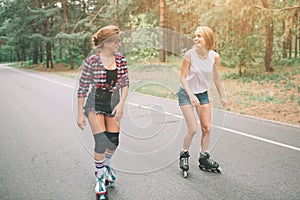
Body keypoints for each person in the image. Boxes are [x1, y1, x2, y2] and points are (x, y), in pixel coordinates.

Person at [76, 25, 129, 196]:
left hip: (113, 102)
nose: (118, 44)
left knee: (113, 141)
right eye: (115, 41)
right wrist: (79, 114)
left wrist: (121, 104)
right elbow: (82, 88)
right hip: (94, 103)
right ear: (106, 43)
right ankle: (99, 177)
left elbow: (125, 83)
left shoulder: (120, 59)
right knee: (101, 141)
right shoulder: (91, 62)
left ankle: (105, 165)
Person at [177, 26, 226, 176]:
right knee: (193, 129)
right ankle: (184, 154)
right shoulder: (189, 55)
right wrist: (191, 95)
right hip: (186, 93)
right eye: (195, 36)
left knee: (207, 128)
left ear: (208, 39)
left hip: (203, 94)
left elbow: (216, 77)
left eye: (200, 36)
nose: (196, 39)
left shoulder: (214, 57)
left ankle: (204, 157)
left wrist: (222, 95)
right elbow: (182, 77)